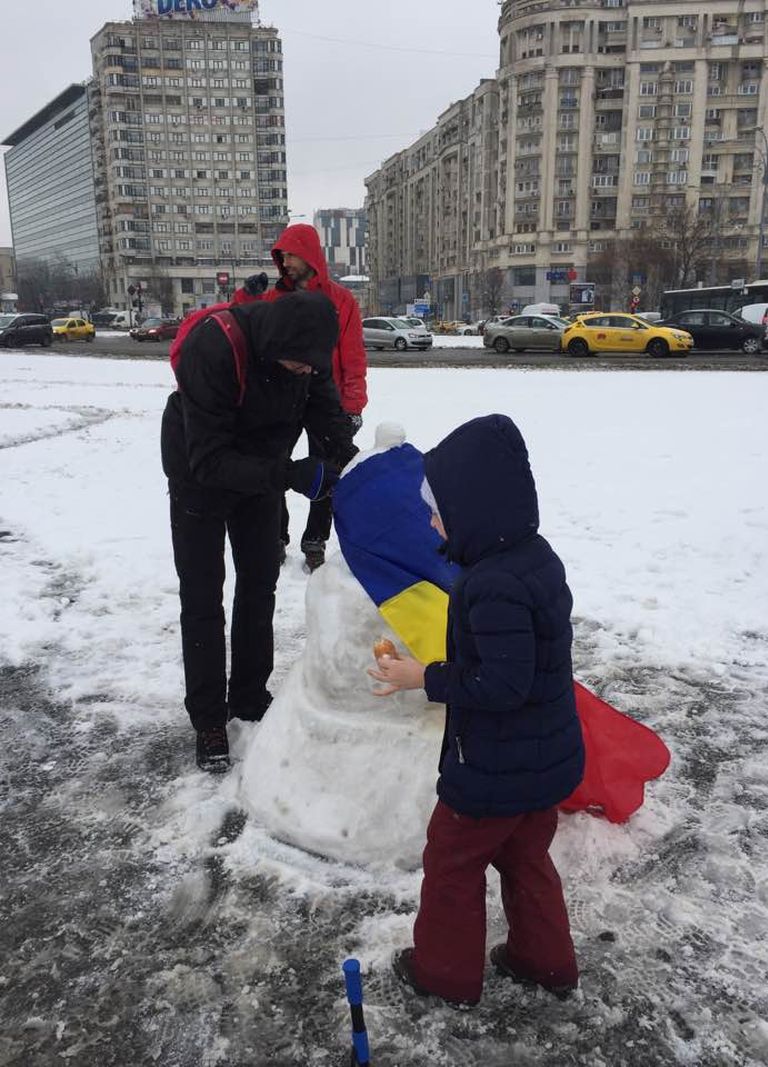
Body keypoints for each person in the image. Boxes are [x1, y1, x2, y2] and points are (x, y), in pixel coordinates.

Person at [368, 414, 585, 1008]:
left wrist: (424, 676)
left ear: (475, 507)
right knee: (525, 859)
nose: (432, 522)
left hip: (492, 768)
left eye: (438, 509)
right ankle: (544, 961)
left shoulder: (490, 585)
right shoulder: (535, 558)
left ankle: (444, 973)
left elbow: (502, 684)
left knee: (450, 865)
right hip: (542, 764)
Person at [161, 291, 357, 773]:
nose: (306, 374)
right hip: (198, 475)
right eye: (297, 367)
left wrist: (357, 464)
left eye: (313, 367)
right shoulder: (215, 347)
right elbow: (208, 459)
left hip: (262, 472)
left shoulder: (305, 354)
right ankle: (208, 718)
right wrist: (289, 475)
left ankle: (249, 695)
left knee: (259, 583)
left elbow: (327, 415)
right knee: (204, 595)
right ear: (274, 347)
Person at [232, 223, 367, 571]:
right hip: (283, 396)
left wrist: (352, 405)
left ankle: (315, 540)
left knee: (327, 471)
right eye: (282, 256)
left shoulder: (342, 300)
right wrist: (247, 295)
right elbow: (245, 323)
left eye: (292, 254)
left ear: (310, 255)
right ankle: (276, 535)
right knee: (275, 463)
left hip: (326, 400)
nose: (286, 262)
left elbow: (353, 356)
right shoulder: (276, 297)